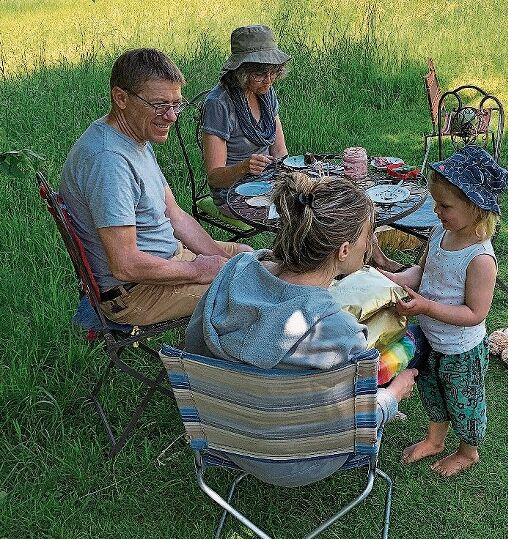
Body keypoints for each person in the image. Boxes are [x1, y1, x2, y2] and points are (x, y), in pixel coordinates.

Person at [185, 172, 418, 487]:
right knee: (403, 351)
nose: (370, 243)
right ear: (344, 250)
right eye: (368, 235)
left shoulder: (231, 274)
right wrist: (392, 396)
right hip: (305, 463)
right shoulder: (338, 332)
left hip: (226, 439)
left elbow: (195, 348)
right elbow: (356, 421)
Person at [60, 48, 252, 326]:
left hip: (168, 262)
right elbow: (125, 265)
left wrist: (218, 259)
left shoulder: (134, 137)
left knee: (244, 257)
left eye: (176, 104)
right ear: (121, 98)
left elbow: (175, 215)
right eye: (160, 105)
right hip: (137, 293)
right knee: (250, 291)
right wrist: (196, 271)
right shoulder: (108, 162)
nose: (172, 117)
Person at [376, 145, 508, 477]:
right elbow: (421, 273)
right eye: (436, 202)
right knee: (432, 394)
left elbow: (475, 313)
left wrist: (426, 306)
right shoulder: (440, 233)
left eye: (445, 205)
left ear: (476, 208)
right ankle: (435, 440)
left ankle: (468, 452)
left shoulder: (480, 259)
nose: (436, 210)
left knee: (465, 406)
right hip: (432, 340)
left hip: (462, 351)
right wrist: (393, 279)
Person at [201, 25, 290, 214]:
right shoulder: (218, 103)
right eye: (259, 74)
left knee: (318, 199)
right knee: (297, 213)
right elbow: (214, 177)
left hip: (268, 181)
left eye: (273, 72)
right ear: (240, 72)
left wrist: (288, 178)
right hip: (232, 193)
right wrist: (243, 168)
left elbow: (280, 151)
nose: (268, 80)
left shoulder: (266, 92)